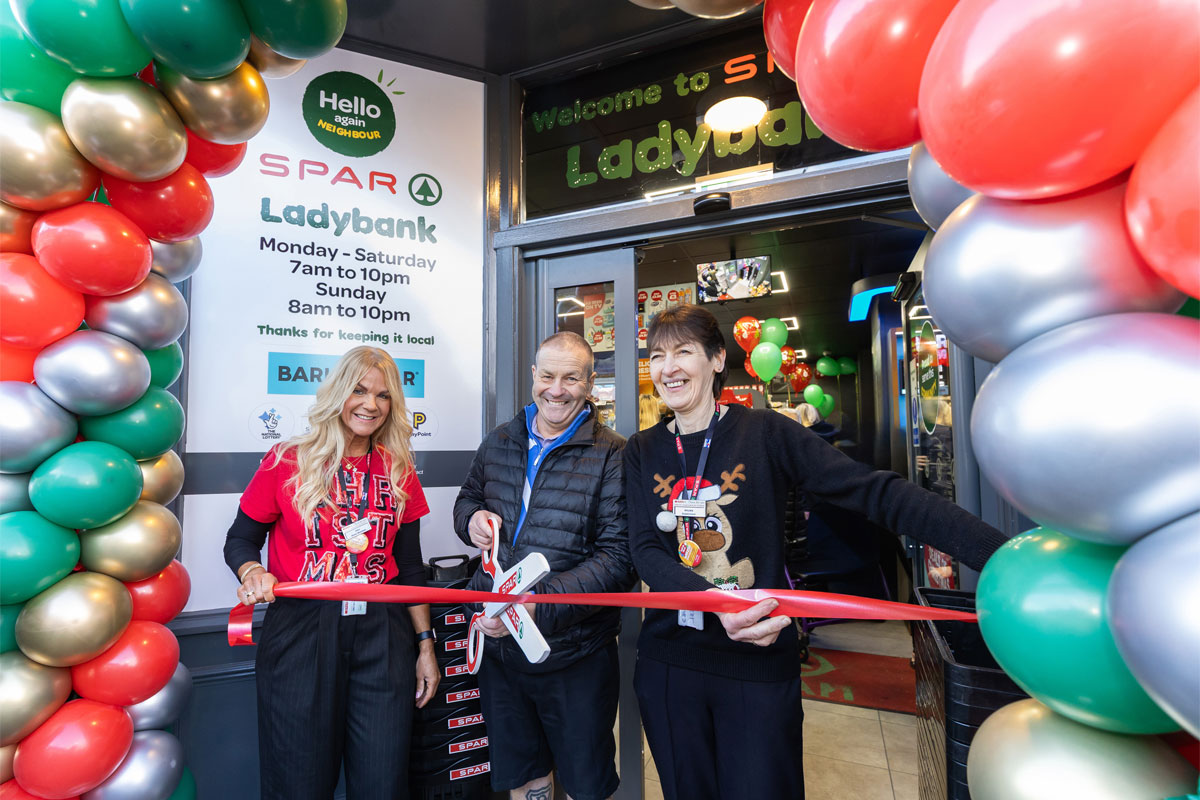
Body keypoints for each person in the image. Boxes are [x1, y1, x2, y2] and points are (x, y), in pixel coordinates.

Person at [624, 305, 1008, 800]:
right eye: (657, 355)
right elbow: (645, 550)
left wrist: (999, 553)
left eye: (683, 352)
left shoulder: (765, 432)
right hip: (670, 665)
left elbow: (876, 494)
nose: (668, 367)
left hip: (757, 661)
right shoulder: (641, 449)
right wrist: (717, 605)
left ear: (718, 359)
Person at [223, 346, 439, 800]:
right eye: (359, 391)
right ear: (338, 393)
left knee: (383, 782)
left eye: (383, 396)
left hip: (383, 633)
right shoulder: (288, 460)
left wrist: (424, 646)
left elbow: (411, 569)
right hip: (302, 629)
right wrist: (252, 571)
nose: (370, 404)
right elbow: (240, 539)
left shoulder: (399, 469)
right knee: (297, 783)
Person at [453, 331, 635, 800]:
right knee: (524, 777)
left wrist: (537, 607)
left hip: (575, 655)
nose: (557, 389)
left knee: (583, 783)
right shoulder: (500, 440)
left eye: (571, 378)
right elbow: (467, 500)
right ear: (533, 376)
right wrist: (470, 519)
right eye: (548, 376)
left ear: (590, 383)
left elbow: (618, 561)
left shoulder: (614, 454)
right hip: (502, 654)